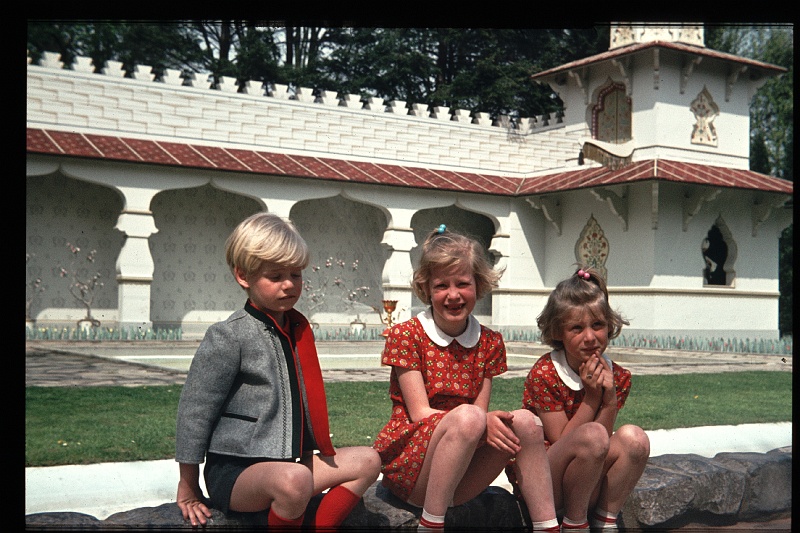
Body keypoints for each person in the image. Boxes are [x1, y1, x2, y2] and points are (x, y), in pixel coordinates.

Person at [174, 212, 381, 529]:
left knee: (369, 460)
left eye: (296, 275)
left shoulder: (294, 329)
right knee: (295, 480)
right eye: (276, 276)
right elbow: (195, 411)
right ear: (244, 276)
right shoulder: (230, 335)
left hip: (288, 465)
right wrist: (188, 485)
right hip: (236, 473)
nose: (289, 285)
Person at [373, 225, 559, 532]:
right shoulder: (407, 335)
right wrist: (481, 421)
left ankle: (547, 525)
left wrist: (485, 422)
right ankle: (430, 526)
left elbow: (481, 409)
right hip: (414, 472)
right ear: (426, 289)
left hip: (460, 476)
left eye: (462, 283)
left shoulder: (488, 342)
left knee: (525, 422)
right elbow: (419, 414)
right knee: (472, 417)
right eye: (441, 286)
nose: (453, 295)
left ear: (479, 285)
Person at [509, 265, 650, 532]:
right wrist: (592, 397)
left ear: (609, 326)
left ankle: (605, 520)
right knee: (593, 435)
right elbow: (565, 441)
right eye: (576, 328)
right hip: (547, 483)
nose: (589, 337)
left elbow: (603, 442)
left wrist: (608, 399)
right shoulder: (546, 373)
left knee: (635, 438)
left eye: (597, 325)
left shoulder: (617, 375)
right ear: (557, 332)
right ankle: (575, 524)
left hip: (586, 477)